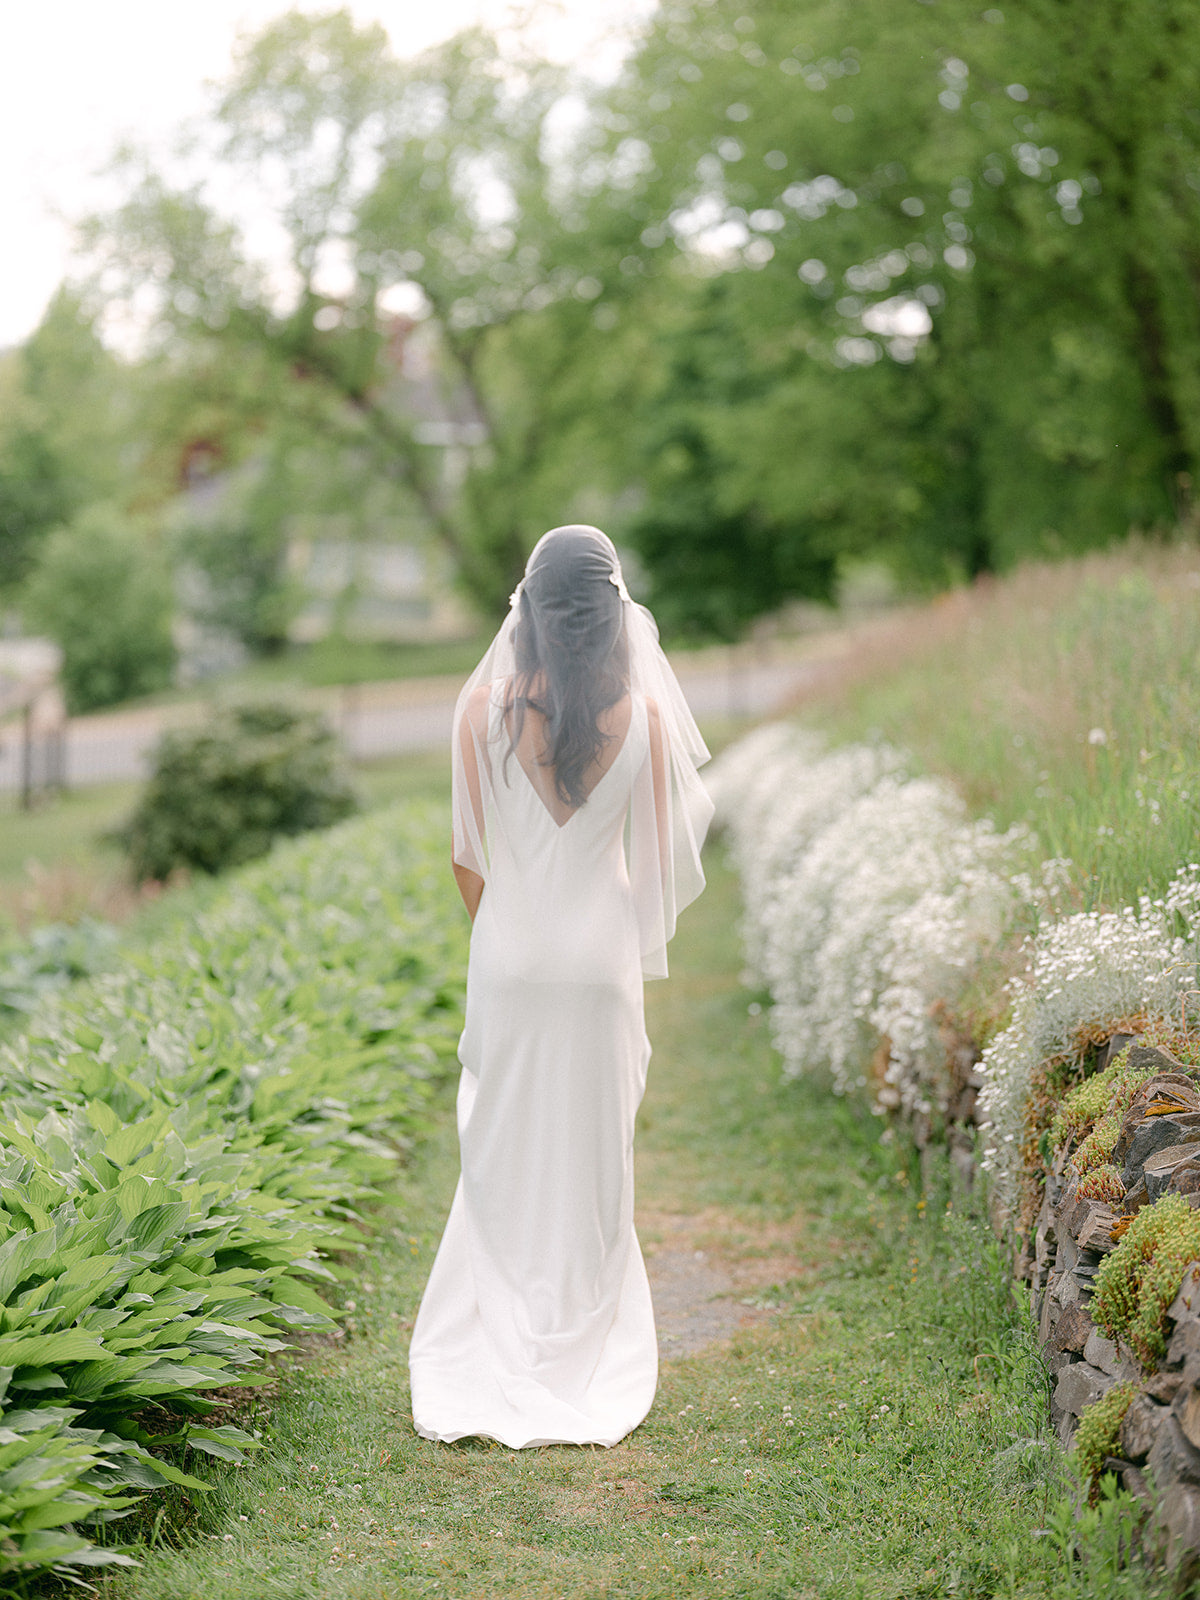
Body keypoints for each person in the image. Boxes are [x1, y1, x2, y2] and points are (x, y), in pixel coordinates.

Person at [409, 524, 713, 1449]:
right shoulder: (648, 720)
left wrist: (511, 939)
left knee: (500, 1149)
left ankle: (498, 1333)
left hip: (510, 958)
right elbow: (660, 865)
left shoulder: (480, 712)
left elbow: (469, 859)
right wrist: (606, 935)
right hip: (598, 967)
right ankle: (583, 1339)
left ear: (530, 611)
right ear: (615, 612)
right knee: (592, 1156)